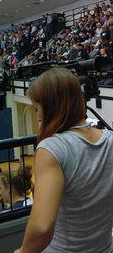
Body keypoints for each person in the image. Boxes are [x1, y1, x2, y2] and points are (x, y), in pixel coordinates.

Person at [16, 68, 113, 253]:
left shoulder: (51, 149)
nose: (37, 116)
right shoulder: (110, 138)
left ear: (51, 106)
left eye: (37, 109)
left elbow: (42, 228)